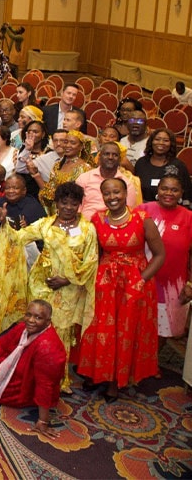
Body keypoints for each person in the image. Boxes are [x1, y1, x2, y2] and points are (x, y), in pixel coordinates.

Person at [0, 182, 98, 390]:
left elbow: (90, 261)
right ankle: (32, 370)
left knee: (61, 332)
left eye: (74, 204)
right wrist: (4, 223)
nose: (69, 208)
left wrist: (67, 279)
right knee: (35, 327)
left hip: (68, 289)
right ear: (57, 204)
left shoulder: (87, 229)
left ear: (80, 205)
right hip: (40, 285)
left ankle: (58, 380)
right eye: (64, 203)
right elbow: (18, 238)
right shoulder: (45, 224)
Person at [76, 178, 166, 400]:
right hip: (104, 282)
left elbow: (160, 255)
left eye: (116, 192)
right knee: (98, 330)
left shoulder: (143, 219)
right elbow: (93, 253)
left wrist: (140, 280)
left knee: (123, 333)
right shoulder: (97, 219)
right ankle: (96, 373)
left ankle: (115, 381)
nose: (112, 197)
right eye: (107, 193)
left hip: (134, 284)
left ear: (126, 193)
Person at [0, 300, 66, 438]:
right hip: (11, 365)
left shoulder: (47, 346)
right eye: (29, 315)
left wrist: (42, 421)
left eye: (38, 317)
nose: (31, 320)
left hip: (23, 387)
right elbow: (1, 346)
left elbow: (45, 386)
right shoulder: (23, 327)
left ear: (48, 321)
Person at [138, 173, 192, 338]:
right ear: (158, 190)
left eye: (174, 190)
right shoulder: (142, 211)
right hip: (141, 282)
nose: (169, 193)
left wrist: (191, 284)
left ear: (182, 193)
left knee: (163, 334)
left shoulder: (189, 218)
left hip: (173, 286)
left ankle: (152, 363)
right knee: (137, 330)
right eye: (165, 189)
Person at [75, 142, 142, 220]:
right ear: (99, 157)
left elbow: (129, 211)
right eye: (106, 154)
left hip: (114, 227)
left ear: (120, 159)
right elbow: (76, 207)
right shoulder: (84, 178)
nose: (110, 157)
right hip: (86, 226)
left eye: (115, 155)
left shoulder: (127, 183)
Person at [133, 129, 192, 203]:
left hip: (171, 209)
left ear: (171, 144)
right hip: (144, 209)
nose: (161, 143)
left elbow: (187, 194)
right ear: (151, 142)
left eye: (166, 140)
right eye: (157, 139)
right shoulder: (141, 163)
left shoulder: (178, 165)